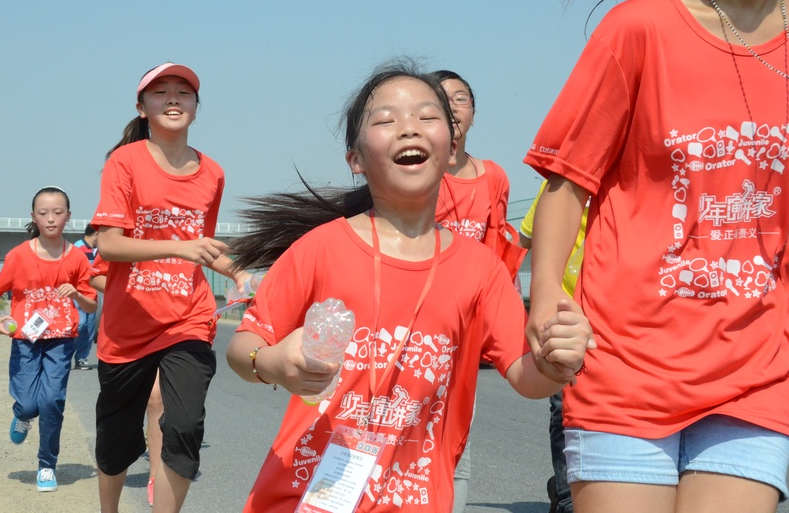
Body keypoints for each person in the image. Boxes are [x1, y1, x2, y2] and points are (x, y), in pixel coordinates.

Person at [226, 61, 593, 513]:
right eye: (385, 120)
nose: (408, 129)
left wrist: (558, 363)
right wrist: (273, 361)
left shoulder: (481, 268)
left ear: (450, 143)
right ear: (355, 160)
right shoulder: (319, 249)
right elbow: (242, 348)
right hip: (303, 496)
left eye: (427, 117)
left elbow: (526, 375)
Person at [523, 0, 789, 512]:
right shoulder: (638, 28)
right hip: (626, 364)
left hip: (756, 371)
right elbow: (568, 181)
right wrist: (545, 304)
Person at [92, 62, 250, 513]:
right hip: (128, 326)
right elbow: (109, 243)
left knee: (182, 426)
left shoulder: (212, 173)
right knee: (117, 441)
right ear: (142, 108)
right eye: (161, 92)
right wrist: (179, 248)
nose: (174, 98)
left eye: (185, 92)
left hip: (189, 317)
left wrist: (239, 273)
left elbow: (206, 248)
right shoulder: (124, 162)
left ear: (197, 109)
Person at [428, 69, 525, 513]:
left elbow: (498, 252)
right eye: (440, 99)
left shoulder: (493, 178)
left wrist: (508, 321)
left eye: (461, 99)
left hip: (466, 330)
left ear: (473, 115)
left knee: (454, 445)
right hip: (416, 321)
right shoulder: (412, 173)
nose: (452, 106)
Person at [0, 186, 97, 492]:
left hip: (62, 340)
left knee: (51, 402)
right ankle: (21, 416)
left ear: (68, 217)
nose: (51, 219)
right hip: (25, 340)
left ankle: (47, 465)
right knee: (28, 404)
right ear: (33, 216)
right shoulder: (18, 256)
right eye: (44, 213)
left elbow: (91, 304)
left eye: (58, 213)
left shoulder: (76, 258)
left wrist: (77, 294)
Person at [518, 180, 587, 513]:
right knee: (564, 410)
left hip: (614, 319)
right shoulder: (558, 186)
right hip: (564, 318)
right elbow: (526, 238)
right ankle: (565, 496)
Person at [88, 253, 164, 508]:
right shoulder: (123, 235)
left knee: (156, 400)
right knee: (117, 427)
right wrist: (133, 288)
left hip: (167, 329)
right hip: (125, 337)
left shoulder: (182, 229)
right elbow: (96, 276)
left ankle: (154, 476)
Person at [73, 223, 99, 370]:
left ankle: (81, 358)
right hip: (78, 293)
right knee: (80, 324)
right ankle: (68, 353)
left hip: (93, 294)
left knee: (89, 328)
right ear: (96, 234)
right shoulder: (77, 248)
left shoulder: (99, 251)